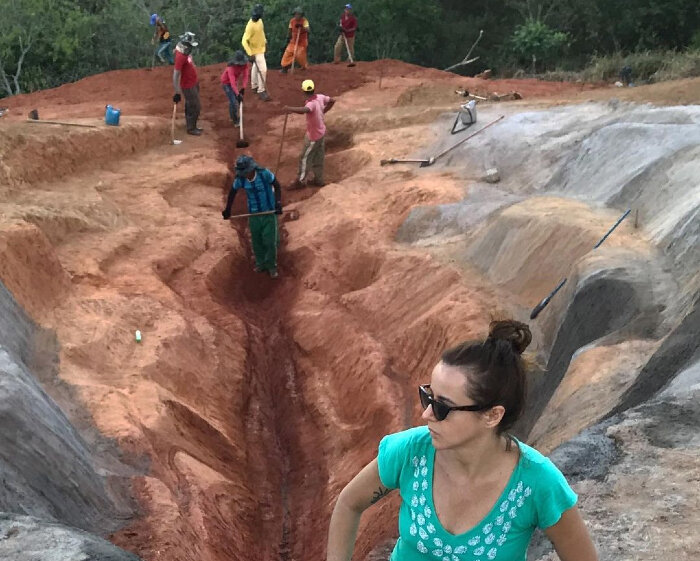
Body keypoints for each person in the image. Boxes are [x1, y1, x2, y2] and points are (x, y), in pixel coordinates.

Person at [325, 320, 599, 561]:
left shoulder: (537, 484)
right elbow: (349, 503)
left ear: (492, 415)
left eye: (443, 406)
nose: (426, 414)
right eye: (428, 397)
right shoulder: (411, 451)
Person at [222, 155, 283, 279]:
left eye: (246, 172)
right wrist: (228, 209)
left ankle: (271, 266)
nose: (245, 174)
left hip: (268, 213)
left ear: (251, 169)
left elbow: (276, 185)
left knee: (269, 241)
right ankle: (260, 263)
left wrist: (278, 203)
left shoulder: (264, 174)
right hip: (253, 214)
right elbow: (232, 193)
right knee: (256, 241)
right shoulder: (240, 180)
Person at [284, 80, 335, 188]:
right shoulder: (320, 97)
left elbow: (305, 110)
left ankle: (301, 181)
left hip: (314, 136)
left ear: (303, 91)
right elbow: (332, 100)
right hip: (321, 133)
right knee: (318, 156)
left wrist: (290, 109)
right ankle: (319, 179)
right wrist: (323, 111)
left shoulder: (311, 103)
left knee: (305, 158)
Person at [173, 32, 202, 135]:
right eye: (189, 45)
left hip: (193, 81)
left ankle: (191, 124)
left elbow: (190, 61)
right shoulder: (180, 56)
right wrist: (177, 92)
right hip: (187, 85)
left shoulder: (186, 51)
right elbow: (175, 75)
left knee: (190, 105)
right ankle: (191, 128)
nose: (191, 47)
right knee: (196, 106)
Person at [242, 3, 271, 102]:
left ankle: (254, 86)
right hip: (255, 51)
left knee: (256, 67)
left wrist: (265, 42)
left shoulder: (260, 21)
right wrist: (250, 53)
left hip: (260, 48)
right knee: (263, 69)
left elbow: (261, 33)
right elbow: (244, 41)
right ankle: (261, 90)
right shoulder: (250, 26)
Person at [221, 50, 250, 126]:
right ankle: (235, 119)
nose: (241, 65)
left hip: (234, 82)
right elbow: (232, 83)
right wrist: (237, 94)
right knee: (233, 101)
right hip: (226, 83)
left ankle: (234, 114)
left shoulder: (245, 64)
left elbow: (245, 76)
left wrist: (243, 88)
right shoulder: (231, 68)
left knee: (236, 100)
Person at [280, 7, 310, 73]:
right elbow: (290, 30)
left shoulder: (304, 21)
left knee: (299, 55)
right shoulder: (292, 21)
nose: (297, 16)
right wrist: (288, 37)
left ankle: (304, 66)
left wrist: (302, 27)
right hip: (293, 41)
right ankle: (284, 67)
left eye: (299, 14)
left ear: (301, 15)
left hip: (302, 42)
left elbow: (308, 29)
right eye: (296, 14)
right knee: (287, 53)